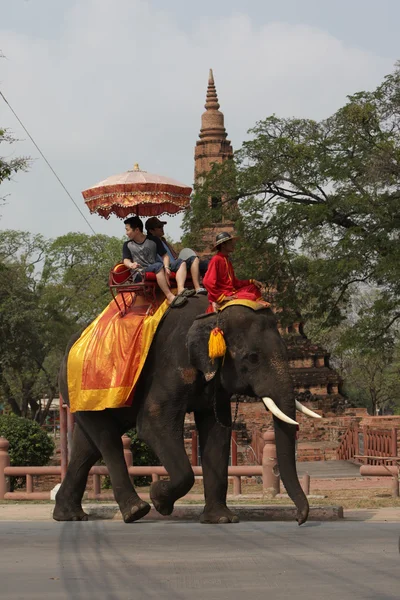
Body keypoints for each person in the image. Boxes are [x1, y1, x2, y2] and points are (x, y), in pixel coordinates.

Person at [122, 216, 188, 307]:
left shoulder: (154, 240)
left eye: (127, 230)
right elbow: (126, 260)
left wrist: (166, 267)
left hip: (157, 268)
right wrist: (131, 264)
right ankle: (169, 297)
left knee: (181, 262)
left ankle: (181, 289)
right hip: (140, 272)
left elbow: (165, 256)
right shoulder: (127, 245)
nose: (126, 233)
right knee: (157, 266)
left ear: (136, 230)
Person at [145, 217, 208, 295]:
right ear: (151, 230)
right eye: (159, 227)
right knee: (186, 261)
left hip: (175, 263)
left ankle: (207, 287)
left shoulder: (163, 240)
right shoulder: (151, 241)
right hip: (167, 265)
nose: (162, 228)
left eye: (162, 226)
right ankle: (194, 288)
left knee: (203, 262)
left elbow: (174, 256)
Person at [203, 231, 263, 312]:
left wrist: (251, 281)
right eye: (230, 242)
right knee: (251, 296)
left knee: (254, 288)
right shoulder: (216, 259)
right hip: (225, 294)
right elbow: (207, 282)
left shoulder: (227, 260)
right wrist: (221, 298)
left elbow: (235, 283)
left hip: (232, 292)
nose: (233, 244)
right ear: (223, 245)